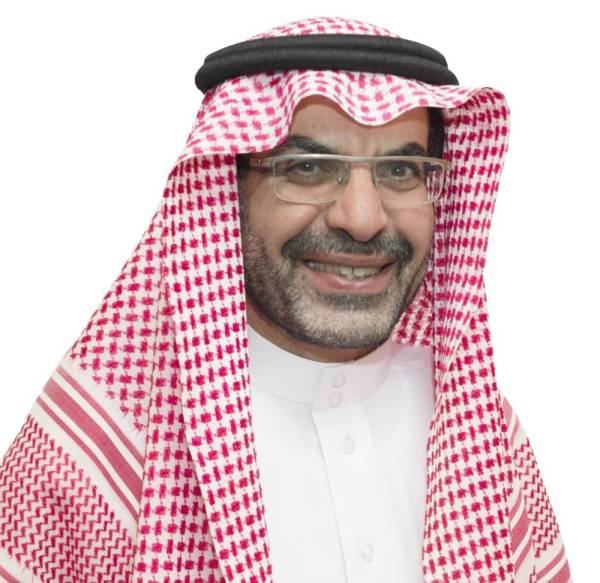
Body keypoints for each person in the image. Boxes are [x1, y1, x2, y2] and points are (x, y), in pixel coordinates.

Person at [0, 16, 571, 583]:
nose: (363, 219)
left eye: (400, 170)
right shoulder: (92, 458)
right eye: (308, 168)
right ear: (225, 192)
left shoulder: (484, 437)